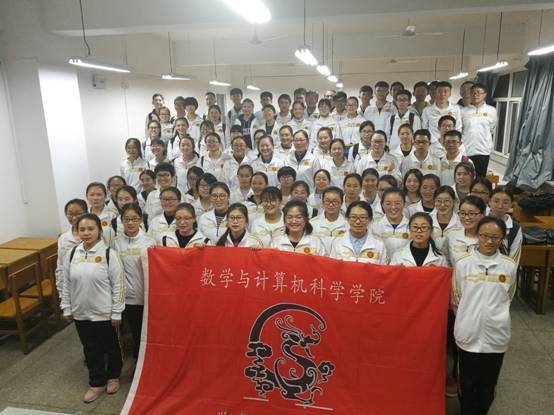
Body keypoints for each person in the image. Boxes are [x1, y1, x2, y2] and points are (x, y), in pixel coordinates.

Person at [452, 216, 517, 414]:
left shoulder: (509, 266)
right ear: (477, 236)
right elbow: (457, 299)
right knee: (466, 383)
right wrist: (469, 318)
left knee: (488, 386)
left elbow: (509, 296)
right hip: (468, 333)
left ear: (502, 239)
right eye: (484, 236)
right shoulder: (463, 264)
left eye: (495, 237)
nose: (489, 241)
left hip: (496, 335)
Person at [61, 213, 124, 403]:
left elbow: (119, 285)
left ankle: (113, 376)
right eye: (82, 229)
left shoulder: (109, 254)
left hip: (104, 313)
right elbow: (66, 283)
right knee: (90, 348)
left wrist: (117, 312)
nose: (86, 233)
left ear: (99, 230)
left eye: (91, 229)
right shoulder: (72, 254)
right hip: (81, 313)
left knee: (111, 347)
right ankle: (96, 382)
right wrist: (66, 307)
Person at [112, 203, 155, 360]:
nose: (130, 223)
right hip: (127, 297)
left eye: (134, 219)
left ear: (141, 220)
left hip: (146, 296)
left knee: (146, 332)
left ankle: (147, 362)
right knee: (134, 331)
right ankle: (136, 361)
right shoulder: (116, 243)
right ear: (121, 220)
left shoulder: (150, 241)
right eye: (126, 219)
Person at [461, 83, 498, 177]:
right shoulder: (463, 111)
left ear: (484, 95)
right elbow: (460, 129)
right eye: (473, 92)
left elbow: (492, 128)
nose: (475, 95)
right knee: (466, 177)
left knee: (480, 178)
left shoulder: (491, 110)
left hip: (483, 151)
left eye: (478, 92)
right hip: (466, 151)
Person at [55, 198, 88, 294]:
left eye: (78, 214)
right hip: (70, 287)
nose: (74, 218)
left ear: (86, 213)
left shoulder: (94, 236)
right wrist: (61, 290)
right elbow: (60, 265)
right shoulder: (63, 238)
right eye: (70, 214)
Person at [444, 195, 486, 265]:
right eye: (462, 213)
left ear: (483, 214)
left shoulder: (488, 238)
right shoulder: (452, 236)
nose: (466, 218)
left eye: (471, 214)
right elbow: (446, 261)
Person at [371, 187, 410, 255]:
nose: (393, 207)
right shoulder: (375, 226)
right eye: (388, 204)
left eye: (397, 203)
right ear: (382, 205)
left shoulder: (411, 226)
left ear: (404, 204)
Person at [489, 186, 522, 264]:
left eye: (505, 202)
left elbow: (514, 258)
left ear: (511, 204)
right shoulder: (480, 222)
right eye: (496, 201)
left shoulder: (515, 228)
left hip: (504, 268)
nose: (500, 206)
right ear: (489, 201)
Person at [310, 187, 348, 253]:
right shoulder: (312, 223)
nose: (331, 204)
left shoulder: (347, 224)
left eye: (335, 201)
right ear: (323, 202)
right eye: (327, 201)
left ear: (341, 203)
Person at [431, 186, 462, 251]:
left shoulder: (461, 222)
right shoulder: (427, 220)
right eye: (438, 201)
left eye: (446, 201)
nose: (442, 205)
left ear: (454, 202)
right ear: (434, 201)